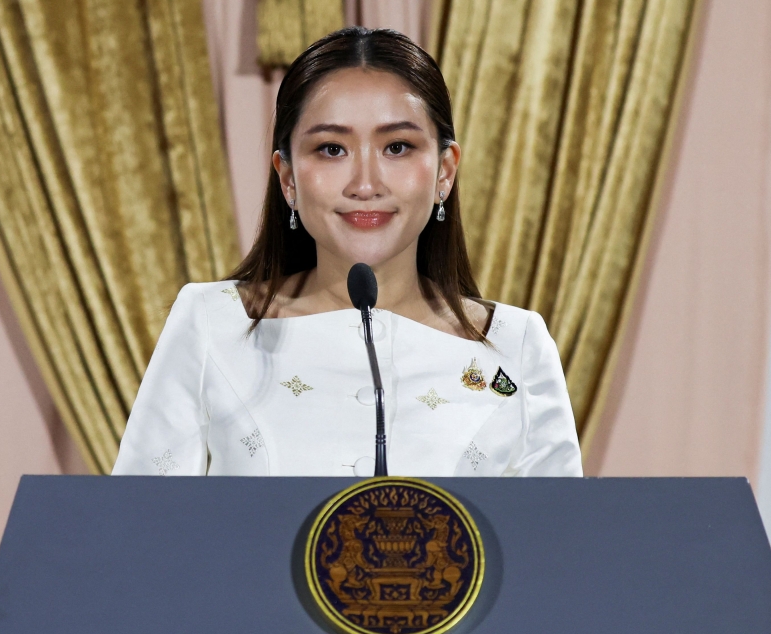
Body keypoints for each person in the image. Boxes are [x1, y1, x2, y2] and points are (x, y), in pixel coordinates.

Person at [112, 27, 582, 478]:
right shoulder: (213, 324)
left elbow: (561, 550)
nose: (365, 184)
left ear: (444, 170)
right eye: (332, 149)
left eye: (397, 147)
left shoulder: (515, 346)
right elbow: (137, 533)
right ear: (288, 178)